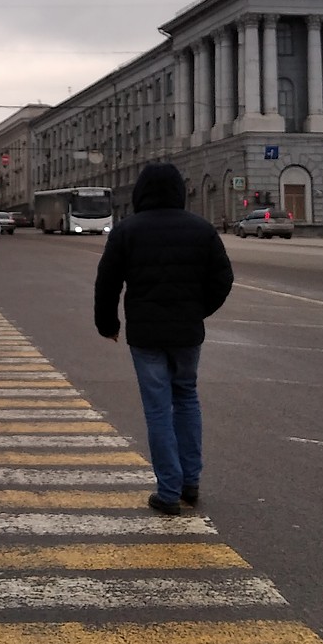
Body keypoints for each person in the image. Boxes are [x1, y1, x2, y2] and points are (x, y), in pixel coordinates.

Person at [94, 162, 234, 515]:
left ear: (141, 192)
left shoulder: (127, 231)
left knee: (158, 409)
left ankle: (168, 491)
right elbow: (223, 279)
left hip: (146, 335)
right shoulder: (202, 229)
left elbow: (107, 283)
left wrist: (107, 324)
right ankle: (191, 482)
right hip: (187, 333)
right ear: (178, 192)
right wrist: (197, 312)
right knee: (186, 398)